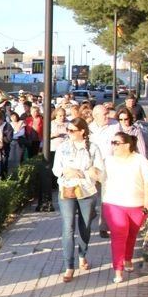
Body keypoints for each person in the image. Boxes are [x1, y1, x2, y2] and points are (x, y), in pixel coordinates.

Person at [52, 117, 104, 283]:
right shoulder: (63, 147)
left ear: (82, 131)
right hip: (67, 189)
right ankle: (69, 266)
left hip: (86, 190)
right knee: (68, 227)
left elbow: (100, 171)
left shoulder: (93, 148)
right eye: (68, 130)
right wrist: (66, 171)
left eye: (72, 131)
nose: (69, 133)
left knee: (85, 226)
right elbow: (56, 169)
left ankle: (82, 254)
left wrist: (83, 173)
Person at [102, 132, 148, 283]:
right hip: (113, 203)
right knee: (119, 233)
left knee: (131, 234)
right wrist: (92, 172)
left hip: (136, 204)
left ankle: (127, 259)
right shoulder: (108, 160)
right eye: (112, 143)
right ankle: (118, 270)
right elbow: (100, 176)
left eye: (116, 143)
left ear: (127, 145)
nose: (113, 146)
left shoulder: (139, 160)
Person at [89, 104, 121, 238]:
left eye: (108, 113)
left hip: (109, 166)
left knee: (106, 197)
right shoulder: (89, 128)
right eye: (104, 114)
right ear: (95, 116)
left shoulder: (115, 125)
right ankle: (90, 216)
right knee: (91, 196)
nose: (107, 116)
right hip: (93, 166)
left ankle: (104, 226)